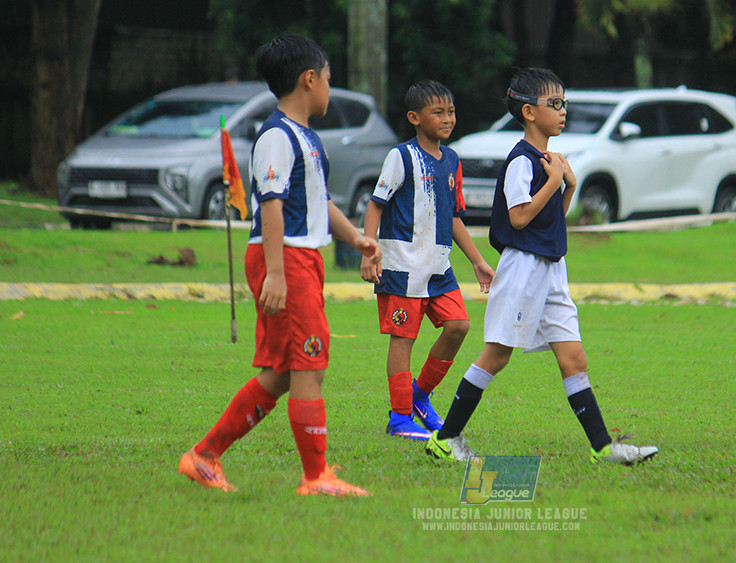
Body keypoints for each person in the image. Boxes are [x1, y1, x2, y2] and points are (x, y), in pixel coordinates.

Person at [179, 34, 381, 496]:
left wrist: (356, 238)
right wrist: (274, 272)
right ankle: (317, 477)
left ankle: (204, 457)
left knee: (287, 370)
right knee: (309, 361)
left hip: (299, 255)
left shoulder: (305, 137)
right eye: (329, 78)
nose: (331, 87)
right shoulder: (277, 136)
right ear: (309, 79)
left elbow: (317, 201)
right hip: (284, 255)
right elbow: (269, 205)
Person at [425, 67, 658, 465]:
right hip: (522, 270)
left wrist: (568, 187)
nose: (563, 111)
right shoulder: (521, 161)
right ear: (529, 112)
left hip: (552, 269)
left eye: (564, 103)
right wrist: (553, 181)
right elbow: (518, 218)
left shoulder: (550, 159)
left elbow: (550, 216)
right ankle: (445, 438)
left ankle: (603, 447)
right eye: (555, 104)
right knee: (496, 355)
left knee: (574, 359)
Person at [360, 80, 495, 440]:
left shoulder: (452, 160)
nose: (448, 119)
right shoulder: (400, 156)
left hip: (439, 267)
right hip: (402, 267)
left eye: (451, 112)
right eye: (439, 112)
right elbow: (376, 204)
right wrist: (369, 249)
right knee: (403, 339)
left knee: (459, 326)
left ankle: (419, 396)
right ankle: (400, 418)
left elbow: (453, 217)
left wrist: (478, 261)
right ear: (415, 118)